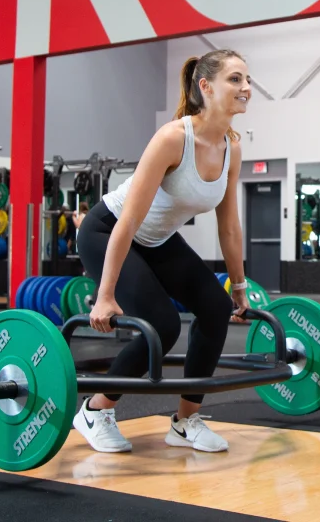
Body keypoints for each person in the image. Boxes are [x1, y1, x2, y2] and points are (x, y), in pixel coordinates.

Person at [73, 49, 250, 455]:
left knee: (214, 307)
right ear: (205, 87)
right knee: (162, 325)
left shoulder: (231, 148)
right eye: (235, 80)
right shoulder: (174, 138)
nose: (246, 89)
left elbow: (229, 225)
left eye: (247, 80)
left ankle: (186, 420)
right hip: (108, 231)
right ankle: (95, 410)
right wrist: (105, 294)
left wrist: (237, 285)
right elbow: (128, 221)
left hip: (156, 239)